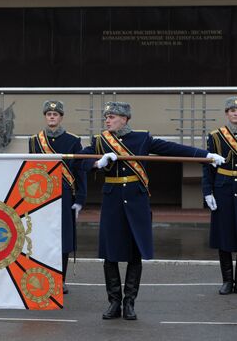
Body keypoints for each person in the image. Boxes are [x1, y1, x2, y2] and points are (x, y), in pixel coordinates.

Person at [78, 101, 224, 321]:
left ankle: (129, 303)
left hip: (136, 201)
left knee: (135, 252)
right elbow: (78, 162)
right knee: (111, 253)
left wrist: (206, 155)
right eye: (106, 117)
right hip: (112, 202)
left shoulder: (141, 138)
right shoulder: (100, 141)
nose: (107, 120)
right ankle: (114, 302)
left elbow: (172, 149)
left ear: (125, 119)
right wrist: (98, 163)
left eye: (112, 116)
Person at [29, 100, 87, 294]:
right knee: (42, 238)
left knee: (63, 239)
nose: (52, 117)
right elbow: (31, 171)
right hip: (42, 198)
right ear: (45, 117)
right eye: (48, 114)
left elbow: (80, 171)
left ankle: (60, 280)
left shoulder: (73, 140)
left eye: (55, 114)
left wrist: (80, 198)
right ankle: (44, 277)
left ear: (61, 117)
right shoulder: (35, 140)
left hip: (64, 196)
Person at [203, 96, 237, 295]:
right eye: (232, 110)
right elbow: (208, 167)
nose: (235, 113)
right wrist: (207, 191)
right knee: (224, 235)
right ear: (226, 114)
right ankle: (227, 280)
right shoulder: (216, 136)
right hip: (223, 188)